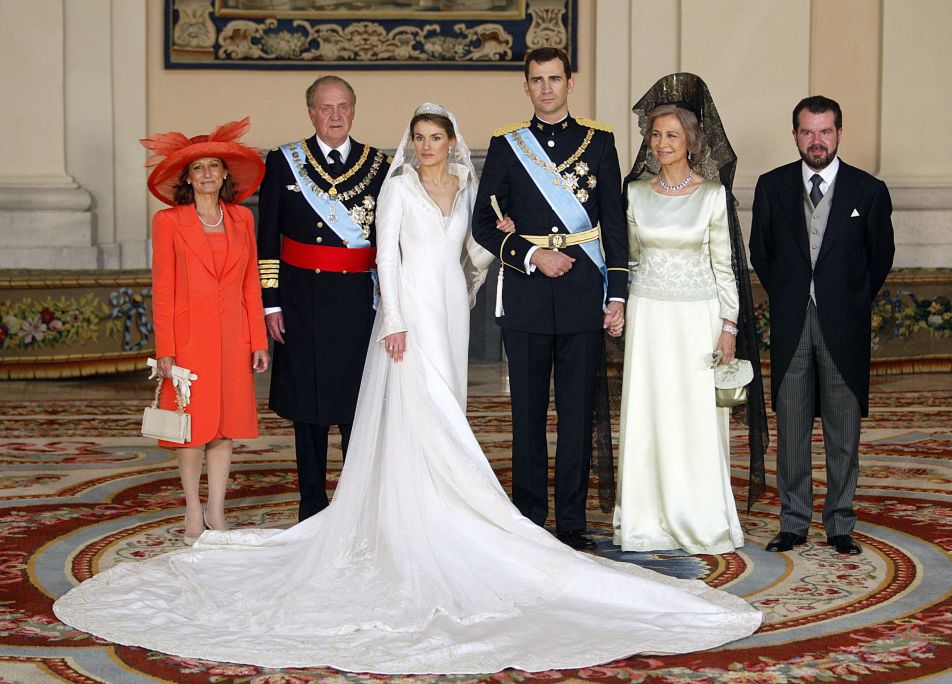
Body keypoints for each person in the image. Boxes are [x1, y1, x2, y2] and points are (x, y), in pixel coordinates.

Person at [53, 104, 761, 675]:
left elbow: (478, 244)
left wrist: (504, 241)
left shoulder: (466, 184)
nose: (426, 146)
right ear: (410, 142)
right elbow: (383, 261)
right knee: (414, 410)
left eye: (436, 137)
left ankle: (447, 497)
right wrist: (391, 319)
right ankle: (413, 508)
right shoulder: (391, 187)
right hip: (407, 315)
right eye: (418, 137)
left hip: (450, 304)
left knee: (446, 405)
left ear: (450, 142)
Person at [472, 47, 629, 550]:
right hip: (528, 294)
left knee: (578, 415)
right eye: (536, 80)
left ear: (570, 83)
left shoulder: (599, 142)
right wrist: (532, 255)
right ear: (525, 86)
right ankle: (529, 519)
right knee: (528, 417)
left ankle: (573, 522)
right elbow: (481, 223)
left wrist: (618, 293)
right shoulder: (506, 144)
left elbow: (615, 224)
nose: (546, 88)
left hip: (584, 292)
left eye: (554, 79)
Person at [614, 74, 768, 555]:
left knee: (695, 418)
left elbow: (726, 267)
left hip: (698, 320)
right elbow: (633, 259)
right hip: (649, 318)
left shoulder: (713, 195)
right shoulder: (635, 193)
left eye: (672, 135)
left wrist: (728, 329)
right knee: (648, 414)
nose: (662, 144)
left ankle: (701, 517)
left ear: (692, 141)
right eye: (656, 135)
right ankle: (645, 518)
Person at [749, 95, 895, 555]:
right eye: (808, 132)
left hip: (843, 328)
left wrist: (848, 300)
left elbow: (880, 257)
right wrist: (792, 296)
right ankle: (792, 522)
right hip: (792, 324)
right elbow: (762, 253)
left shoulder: (868, 191)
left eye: (825, 131)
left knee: (842, 428)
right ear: (795, 135)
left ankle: (840, 524)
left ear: (838, 133)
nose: (817, 141)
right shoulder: (771, 187)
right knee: (791, 426)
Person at [257, 75, 390, 521]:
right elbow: (268, 238)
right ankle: (311, 507)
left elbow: (389, 242)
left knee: (357, 407)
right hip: (302, 303)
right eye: (325, 107)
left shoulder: (378, 166)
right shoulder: (284, 162)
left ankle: (353, 506)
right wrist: (270, 303)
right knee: (308, 411)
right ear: (311, 112)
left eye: (343, 107)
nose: (335, 116)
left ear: (354, 110)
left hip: (357, 305)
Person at [141, 117, 270, 543]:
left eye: (214, 165)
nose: (208, 174)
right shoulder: (169, 222)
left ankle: (216, 509)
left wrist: (257, 339)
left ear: (225, 173)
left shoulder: (240, 221)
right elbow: (163, 289)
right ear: (188, 178)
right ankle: (192, 510)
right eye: (199, 168)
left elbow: (251, 283)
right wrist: (167, 349)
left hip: (233, 337)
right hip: (189, 338)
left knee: (226, 424)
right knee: (191, 427)